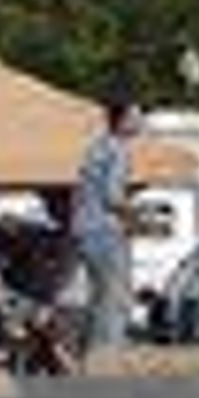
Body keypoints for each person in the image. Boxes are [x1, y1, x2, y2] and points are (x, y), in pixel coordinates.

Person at [72, 96, 139, 358]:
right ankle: (105, 357)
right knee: (114, 298)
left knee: (97, 296)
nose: (139, 122)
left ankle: (87, 352)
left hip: (85, 232)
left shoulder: (95, 148)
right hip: (105, 232)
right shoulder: (117, 150)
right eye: (135, 116)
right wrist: (138, 217)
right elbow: (112, 196)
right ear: (121, 121)